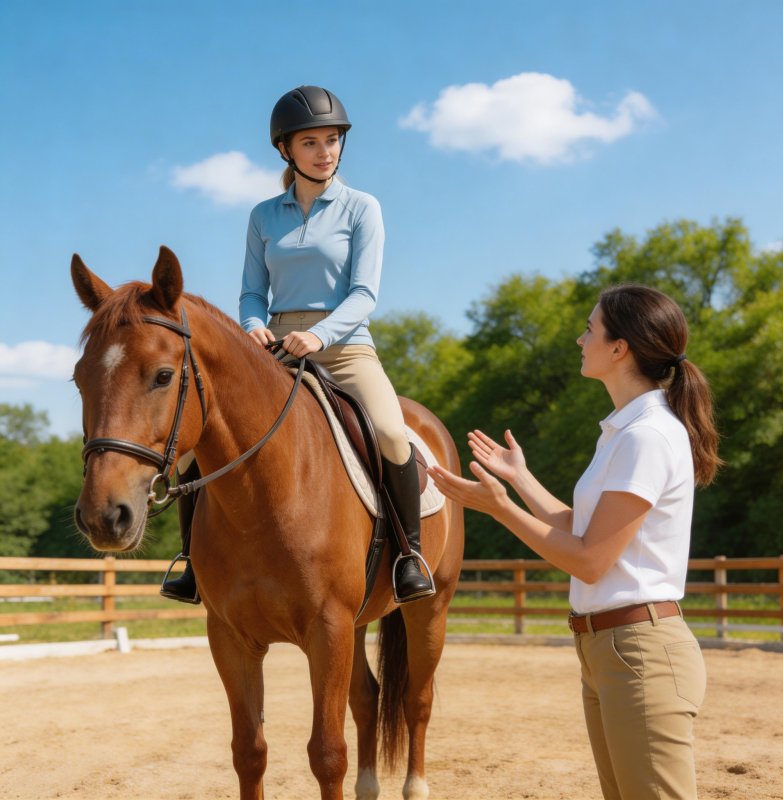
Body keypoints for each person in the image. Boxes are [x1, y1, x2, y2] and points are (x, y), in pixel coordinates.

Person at [428, 284, 722, 800]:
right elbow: (581, 529)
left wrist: (500, 508)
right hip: (607, 648)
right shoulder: (623, 433)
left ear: (619, 348)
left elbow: (589, 561)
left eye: (591, 328)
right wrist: (520, 479)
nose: (579, 337)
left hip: (638, 652)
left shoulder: (645, 436)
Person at [162, 86, 434, 605]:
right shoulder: (264, 216)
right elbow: (250, 290)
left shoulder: (362, 207)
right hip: (278, 347)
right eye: (311, 142)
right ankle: (192, 564)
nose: (325, 152)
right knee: (198, 445)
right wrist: (251, 324)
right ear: (286, 150)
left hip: (345, 345)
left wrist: (321, 333)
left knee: (394, 435)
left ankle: (408, 557)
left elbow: (365, 293)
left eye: (333, 140)